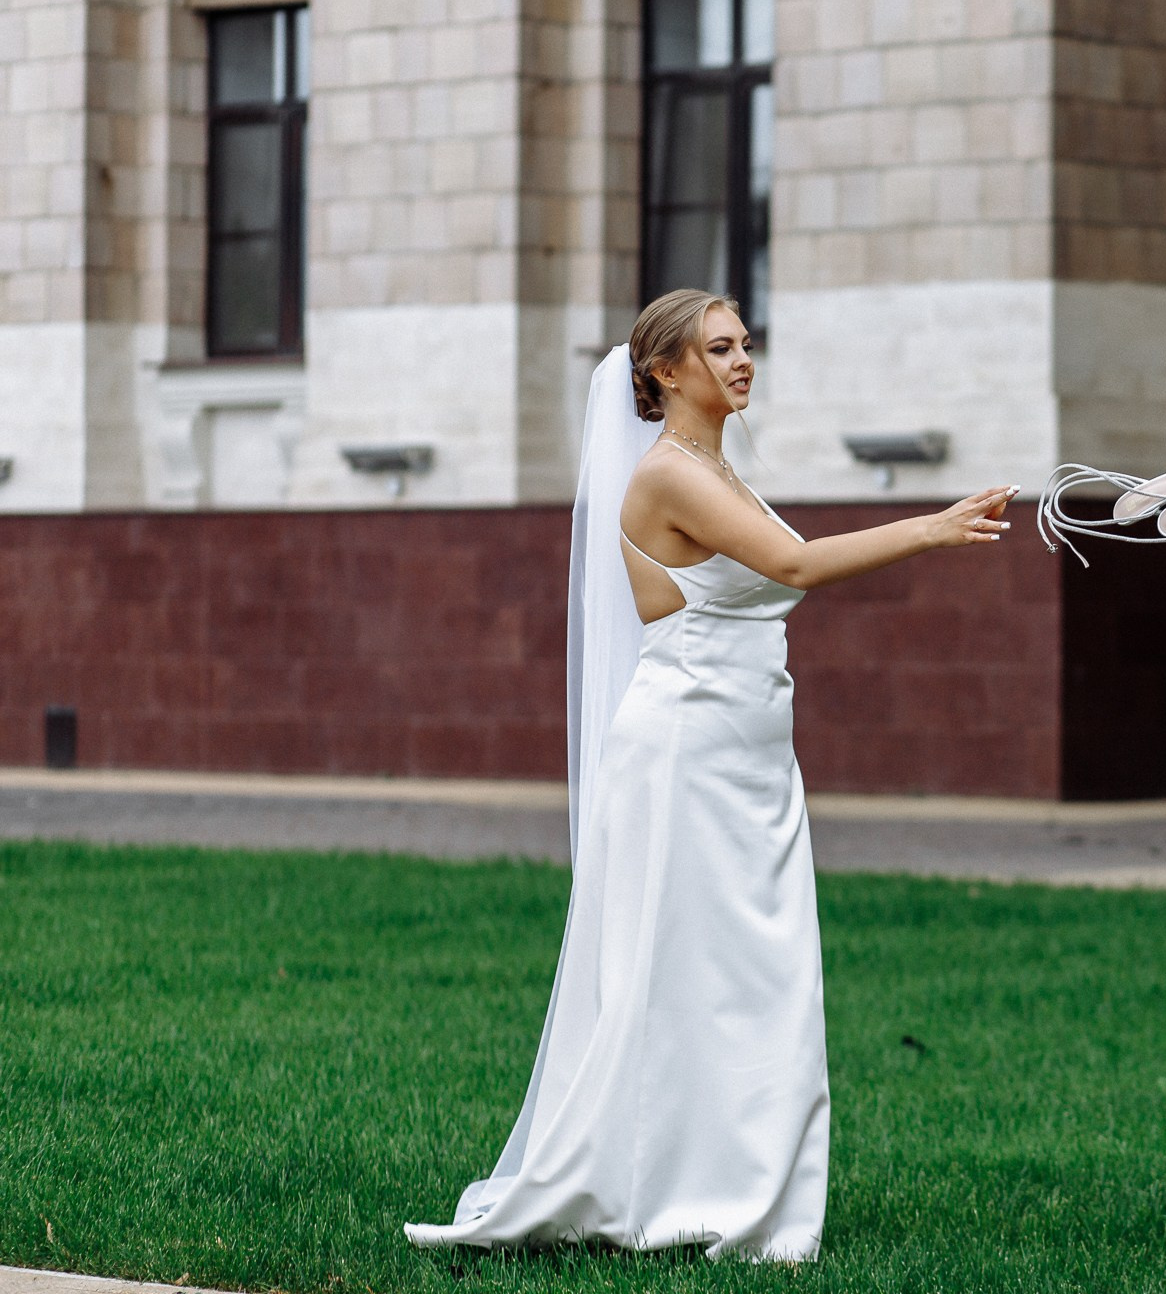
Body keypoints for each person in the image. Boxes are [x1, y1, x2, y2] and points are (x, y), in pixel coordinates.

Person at [404, 289, 1014, 1261]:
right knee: (692, 971)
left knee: (751, 973)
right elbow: (797, 564)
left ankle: (729, 1177)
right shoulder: (669, 476)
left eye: (745, 343)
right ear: (664, 372)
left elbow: (769, 583)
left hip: (749, 747)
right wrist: (930, 529)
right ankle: (683, 1184)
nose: (742, 360)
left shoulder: (715, 467)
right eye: (718, 347)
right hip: (687, 750)